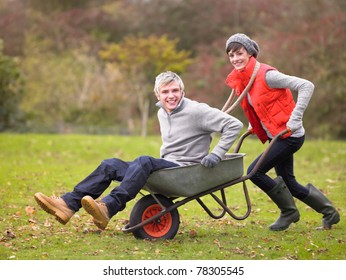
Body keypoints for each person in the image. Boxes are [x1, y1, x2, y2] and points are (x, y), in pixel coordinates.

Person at [34, 71, 243, 230]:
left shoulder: (197, 110)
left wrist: (216, 154)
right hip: (168, 170)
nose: (171, 96)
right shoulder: (163, 112)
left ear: (183, 91)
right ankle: (68, 205)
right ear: (157, 95)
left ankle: (109, 206)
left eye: (175, 91)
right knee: (110, 165)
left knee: (144, 161)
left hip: (185, 170)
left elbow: (233, 125)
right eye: (165, 92)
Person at [223, 33, 340, 231]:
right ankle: (330, 213)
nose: (235, 59)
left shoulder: (267, 75)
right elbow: (262, 104)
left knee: (254, 172)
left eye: (239, 53)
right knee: (289, 183)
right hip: (277, 135)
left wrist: (295, 118)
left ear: (250, 53)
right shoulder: (245, 79)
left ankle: (288, 212)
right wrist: (257, 125)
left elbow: (306, 85)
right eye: (231, 55)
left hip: (290, 136)